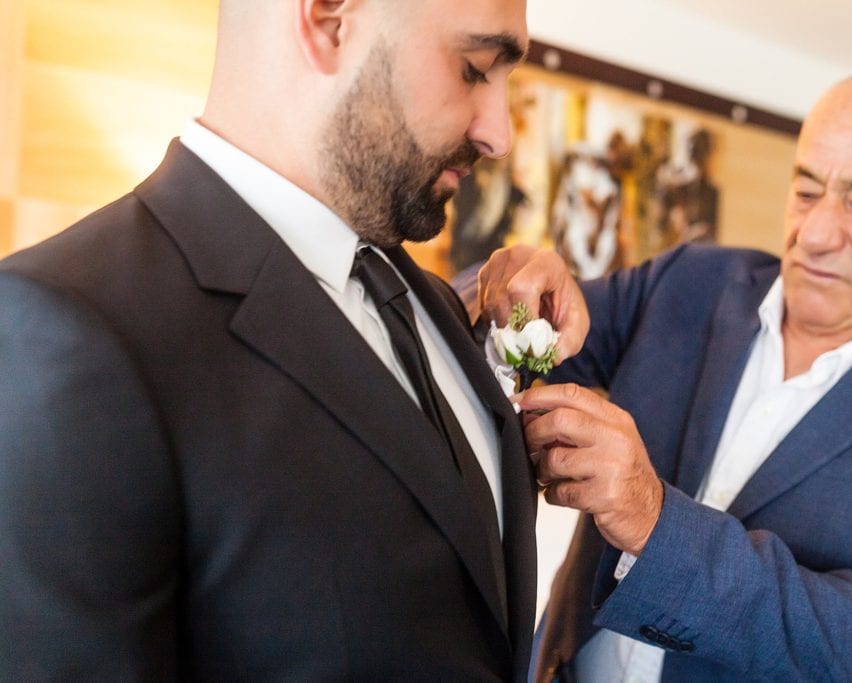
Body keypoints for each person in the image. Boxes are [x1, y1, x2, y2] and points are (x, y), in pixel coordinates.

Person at [0, 1, 588, 679]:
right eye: (474, 68)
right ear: (328, 19)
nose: (500, 134)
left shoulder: (434, 305)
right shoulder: (67, 330)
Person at [478, 66, 852, 681]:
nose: (814, 235)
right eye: (806, 189)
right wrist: (509, 290)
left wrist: (656, 525)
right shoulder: (691, 280)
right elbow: (514, 340)